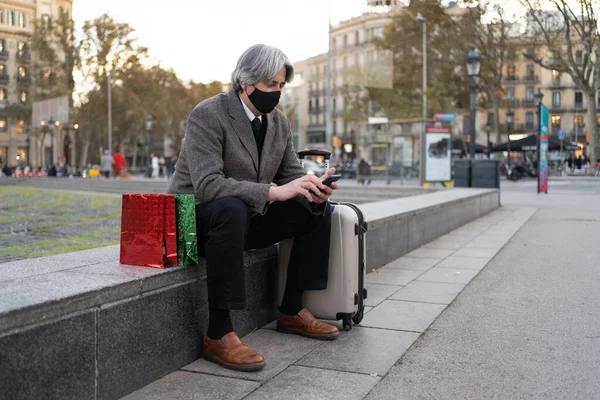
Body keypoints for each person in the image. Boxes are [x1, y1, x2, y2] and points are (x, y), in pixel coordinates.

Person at [167, 44, 339, 372]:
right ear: (247, 83)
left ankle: (291, 310)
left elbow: (292, 177)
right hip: (194, 221)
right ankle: (219, 332)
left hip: (242, 220)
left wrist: (315, 189)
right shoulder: (208, 114)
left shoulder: (278, 123)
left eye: (282, 86)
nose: (277, 93)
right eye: (270, 85)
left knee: (315, 209)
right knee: (229, 207)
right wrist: (274, 192)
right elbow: (209, 187)